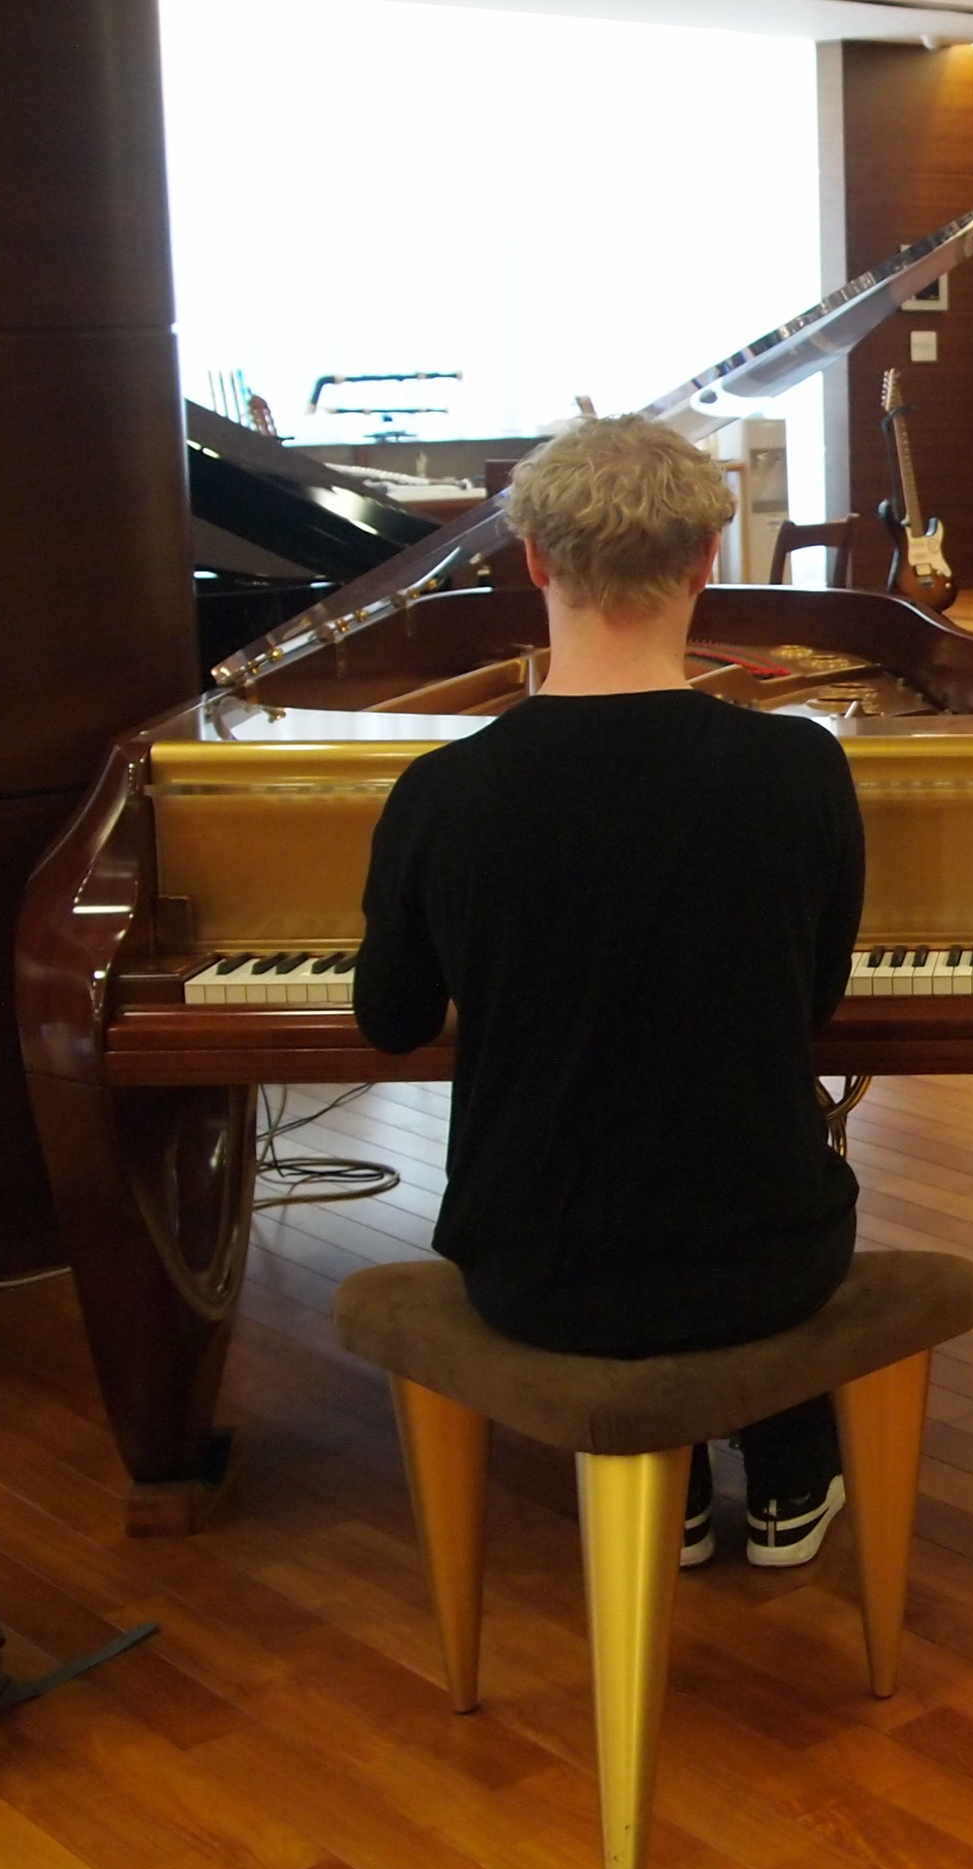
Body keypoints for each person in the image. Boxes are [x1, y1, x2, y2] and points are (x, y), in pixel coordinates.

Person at [353, 413, 865, 1568]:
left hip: (532, 1268)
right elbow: (815, 998)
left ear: (532, 561)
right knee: (775, 1157)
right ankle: (787, 1482)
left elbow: (389, 1021)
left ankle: (663, 1492)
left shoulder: (444, 792)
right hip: (765, 1255)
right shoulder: (800, 769)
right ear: (704, 562)